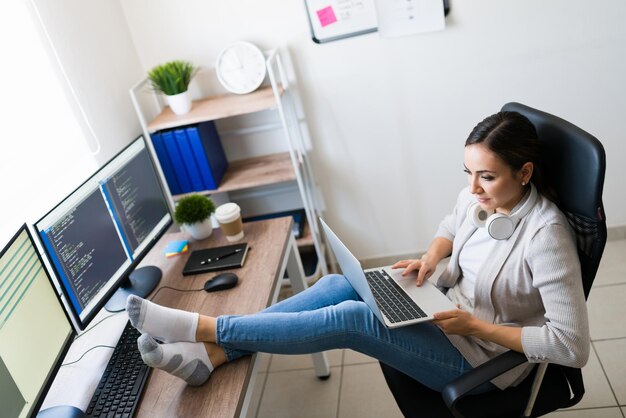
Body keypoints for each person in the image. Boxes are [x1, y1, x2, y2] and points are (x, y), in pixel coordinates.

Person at [126, 111, 590, 392]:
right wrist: (431, 258)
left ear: (525, 172)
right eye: (467, 172)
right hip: (446, 312)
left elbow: (571, 346)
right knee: (336, 282)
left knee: (352, 317)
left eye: (485, 177)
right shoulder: (479, 196)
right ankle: (211, 357)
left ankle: (201, 328)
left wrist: (476, 326)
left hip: (484, 359)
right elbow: (453, 224)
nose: (471, 189)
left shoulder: (546, 236)